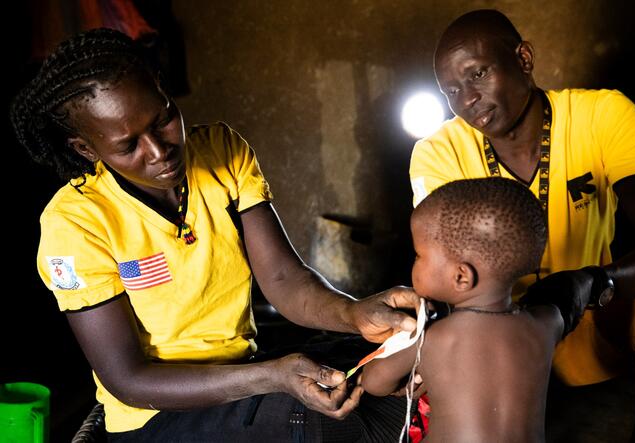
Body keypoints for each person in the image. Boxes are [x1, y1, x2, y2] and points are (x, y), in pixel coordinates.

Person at [10, 28, 420, 441]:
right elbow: (128, 380)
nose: (158, 151)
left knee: (388, 364)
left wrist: (354, 314)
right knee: (317, 418)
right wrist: (271, 377)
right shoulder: (76, 222)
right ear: (87, 149)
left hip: (243, 378)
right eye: (129, 145)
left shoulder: (223, 153)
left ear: (164, 89)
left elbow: (283, 280)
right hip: (156, 418)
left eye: (163, 119)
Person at [409, 9, 635, 438]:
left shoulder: (603, 115)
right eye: (452, 90)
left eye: (477, 74)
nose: (467, 100)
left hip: (602, 335)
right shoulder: (438, 153)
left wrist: (596, 282)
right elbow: (446, 275)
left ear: (524, 58)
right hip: (498, 358)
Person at [362, 177, 595, 442]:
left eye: (419, 255)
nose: (414, 262)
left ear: (462, 277)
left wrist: (394, 347)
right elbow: (572, 297)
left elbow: (374, 383)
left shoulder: (436, 337)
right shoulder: (547, 323)